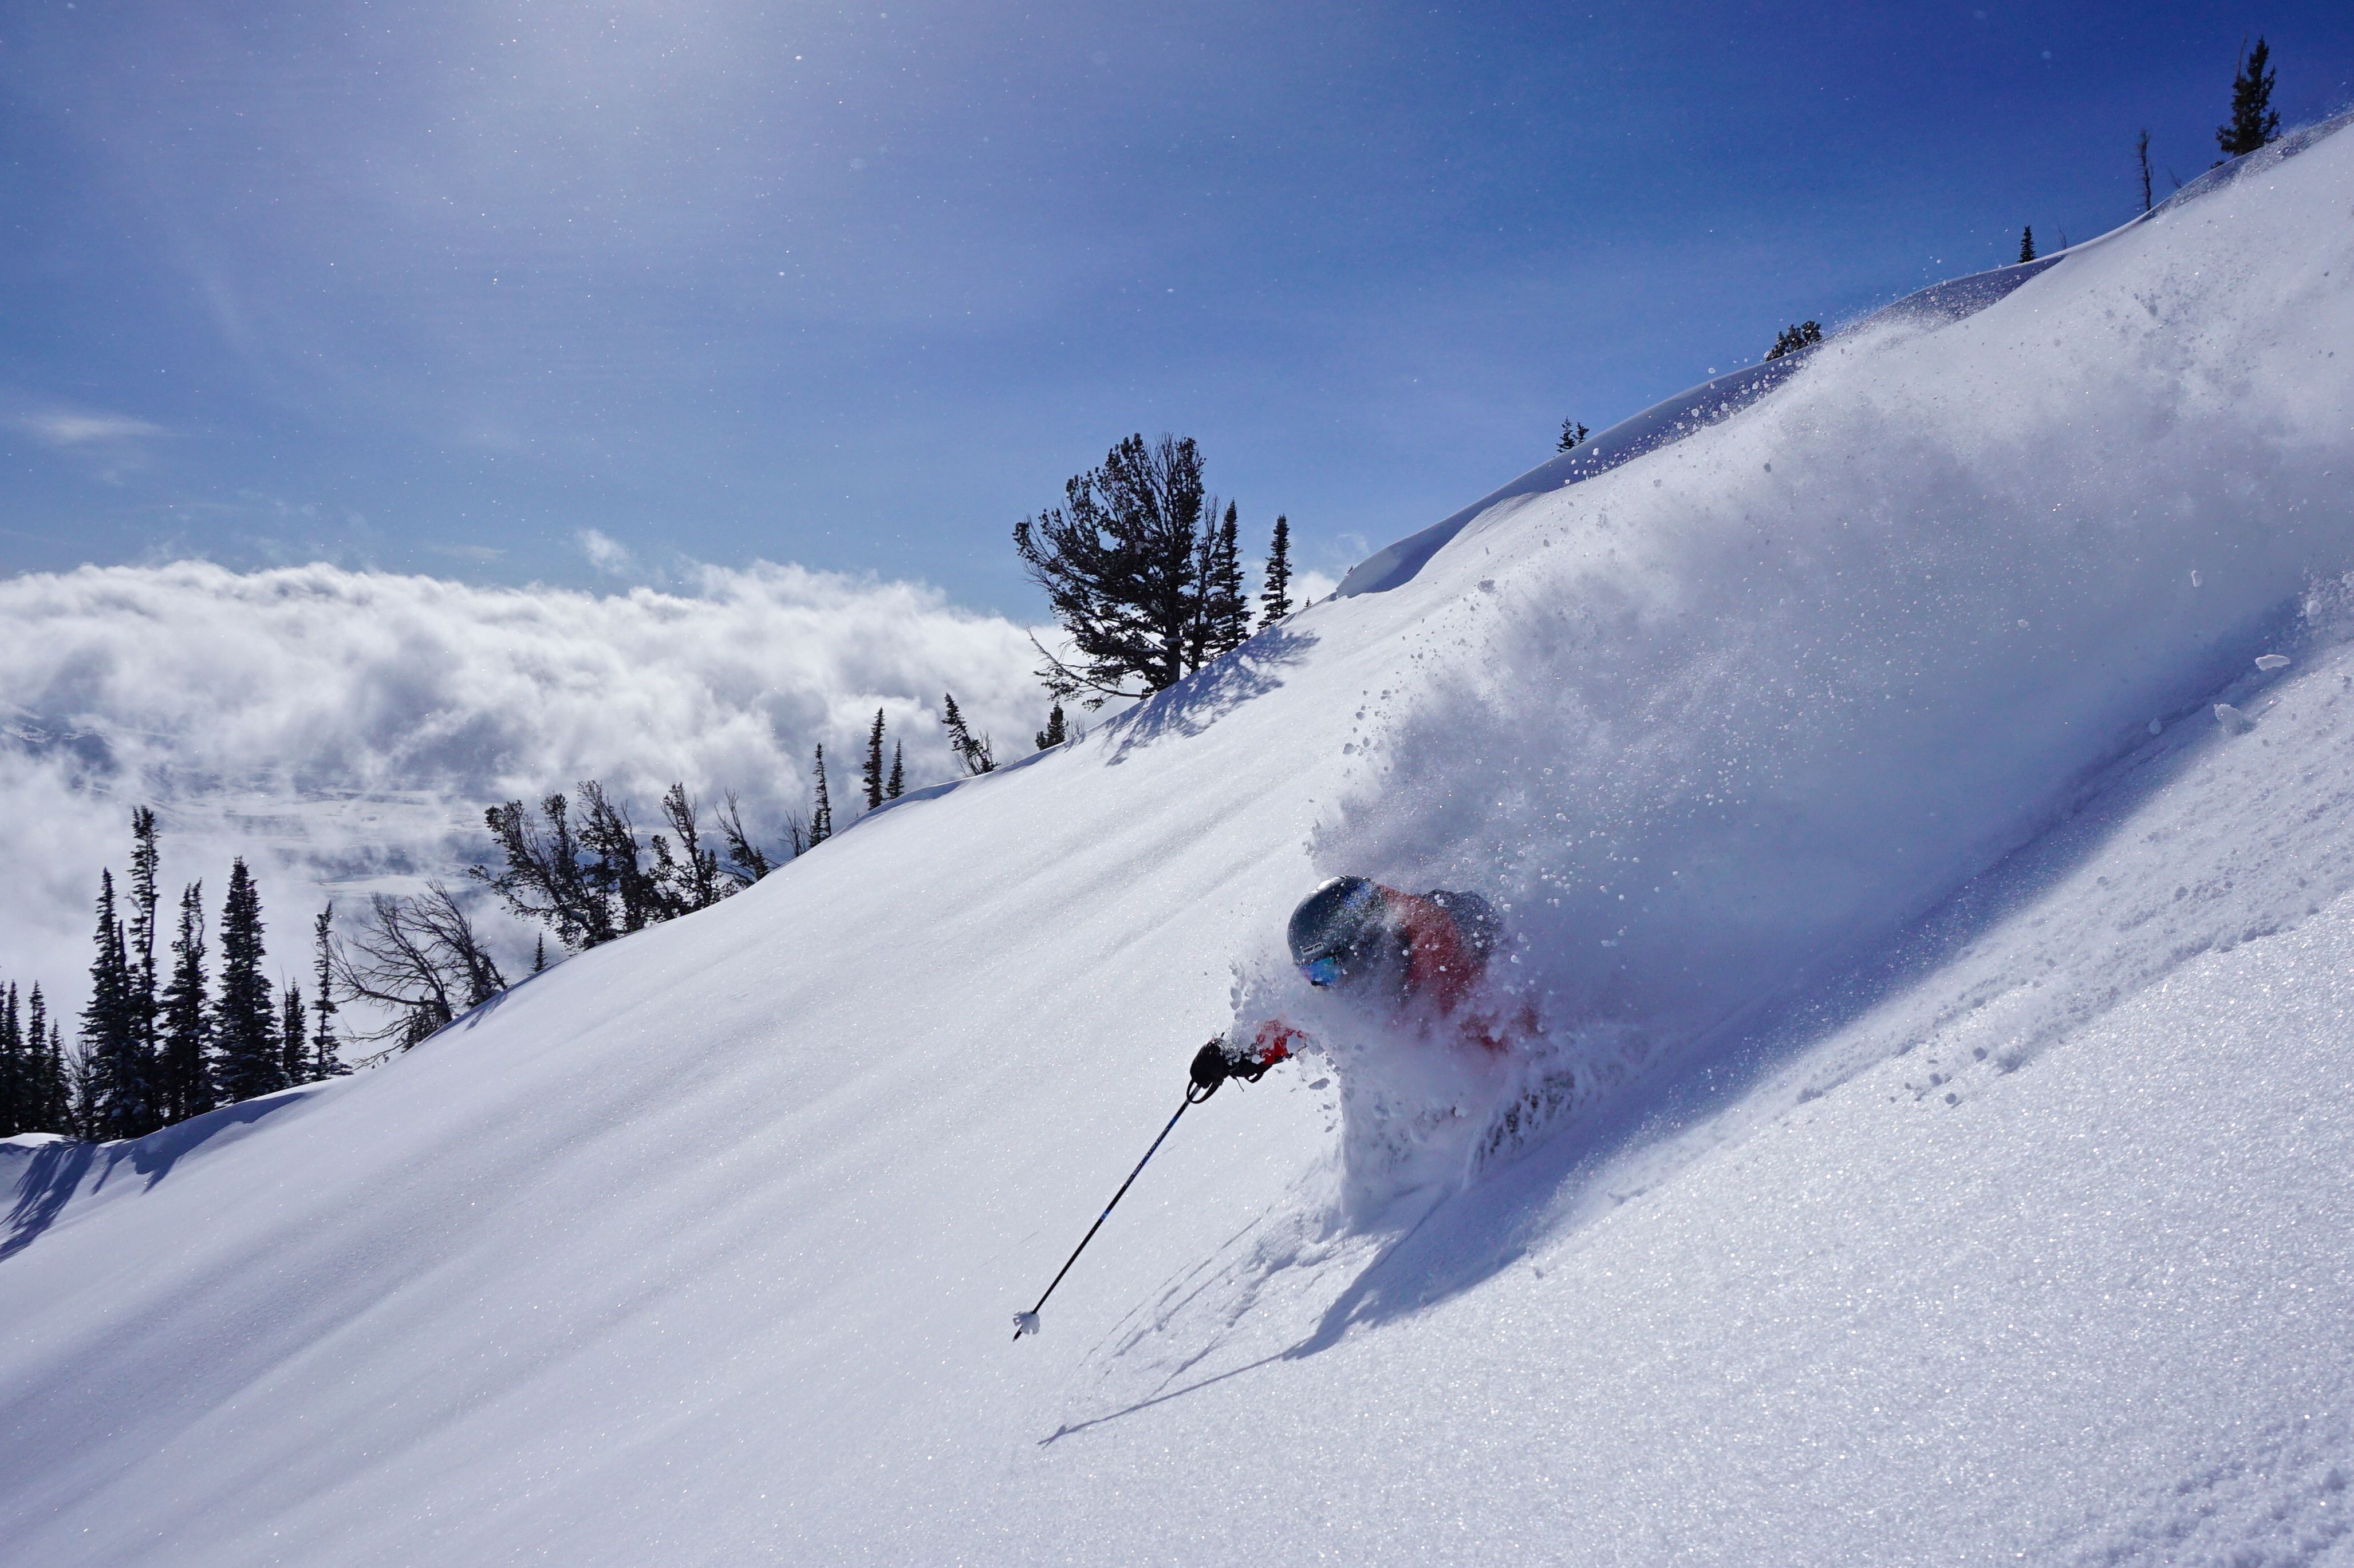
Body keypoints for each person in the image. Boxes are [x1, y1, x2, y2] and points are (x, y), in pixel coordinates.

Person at [1190, 876, 1507, 1094]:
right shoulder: (1377, 977)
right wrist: (1235, 1053)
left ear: (1363, 949)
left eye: (1326, 970)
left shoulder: (1450, 972)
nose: (1321, 986)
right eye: (1310, 974)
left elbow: (1515, 1054)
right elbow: (1301, 1020)